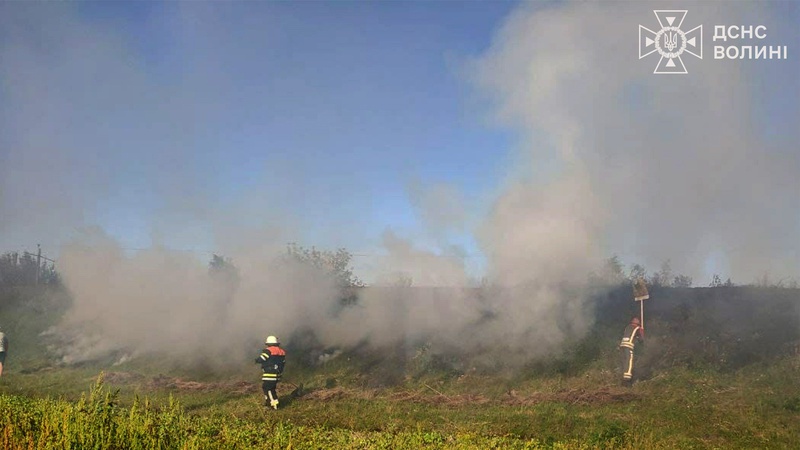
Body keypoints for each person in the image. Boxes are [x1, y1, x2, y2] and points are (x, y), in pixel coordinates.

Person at [255, 335, 286, 409]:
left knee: (267, 388)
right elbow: (283, 363)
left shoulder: (268, 351)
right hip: (277, 374)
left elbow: (262, 358)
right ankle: (270, 402)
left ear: (268, 344)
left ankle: (273, 405)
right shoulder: (281, 351)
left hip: (269, 374)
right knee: (271, 388)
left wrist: (256, 360)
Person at [619, 316, 644, 385]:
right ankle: (627, 380)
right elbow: (641, 340)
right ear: (638, 323)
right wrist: (642, 333)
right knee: (629, 362)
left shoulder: (627, 327)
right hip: (628, 347)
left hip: (622, 346)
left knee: (623, 362)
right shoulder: (637, 328)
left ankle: (621, 378)